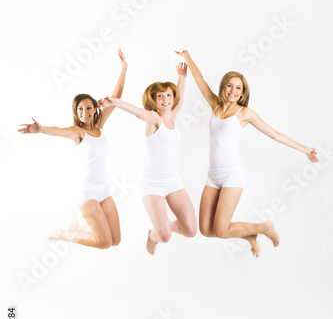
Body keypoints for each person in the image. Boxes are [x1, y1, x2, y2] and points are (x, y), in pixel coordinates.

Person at [175, 50, 318, 257]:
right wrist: (187, 56)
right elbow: (199, 78)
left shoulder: (244, 113)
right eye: (230, 85)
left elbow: (275, 135)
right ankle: (249, 235)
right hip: (213, 176)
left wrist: (305, 150)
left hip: (232, 175)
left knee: (222, 230)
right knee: (206, 230)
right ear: (224, 87)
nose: (233, 90)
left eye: (238, 88)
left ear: (243, 93)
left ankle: (263, 227)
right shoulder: (215, 105)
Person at [18, 49, 127, 249]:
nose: (84, 112)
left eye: (88, 108)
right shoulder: (77, 132)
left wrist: (124, 68)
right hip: (86, 194)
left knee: (116, 240)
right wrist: (40, 129)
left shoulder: (99, 125)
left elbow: (115, 97)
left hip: (104, 191)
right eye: (80, 109)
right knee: (104, 243)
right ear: (76, 112)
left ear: (95, 109)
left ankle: (76, 229)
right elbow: (58, 130)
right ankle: (65, 234)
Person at [98, 62, 197, 254]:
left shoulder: (172, 116)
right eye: (160, 96)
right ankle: (153, 234)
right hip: (153, 184)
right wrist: (115, 102)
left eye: (168, 95)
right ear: (153, 100)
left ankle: (164, 226)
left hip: (173, 181)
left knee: (191, 230)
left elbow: (180, 100)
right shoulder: (154, 118)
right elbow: (136, 110)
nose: (165, 99)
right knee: (165, 236)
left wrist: (182, 78)